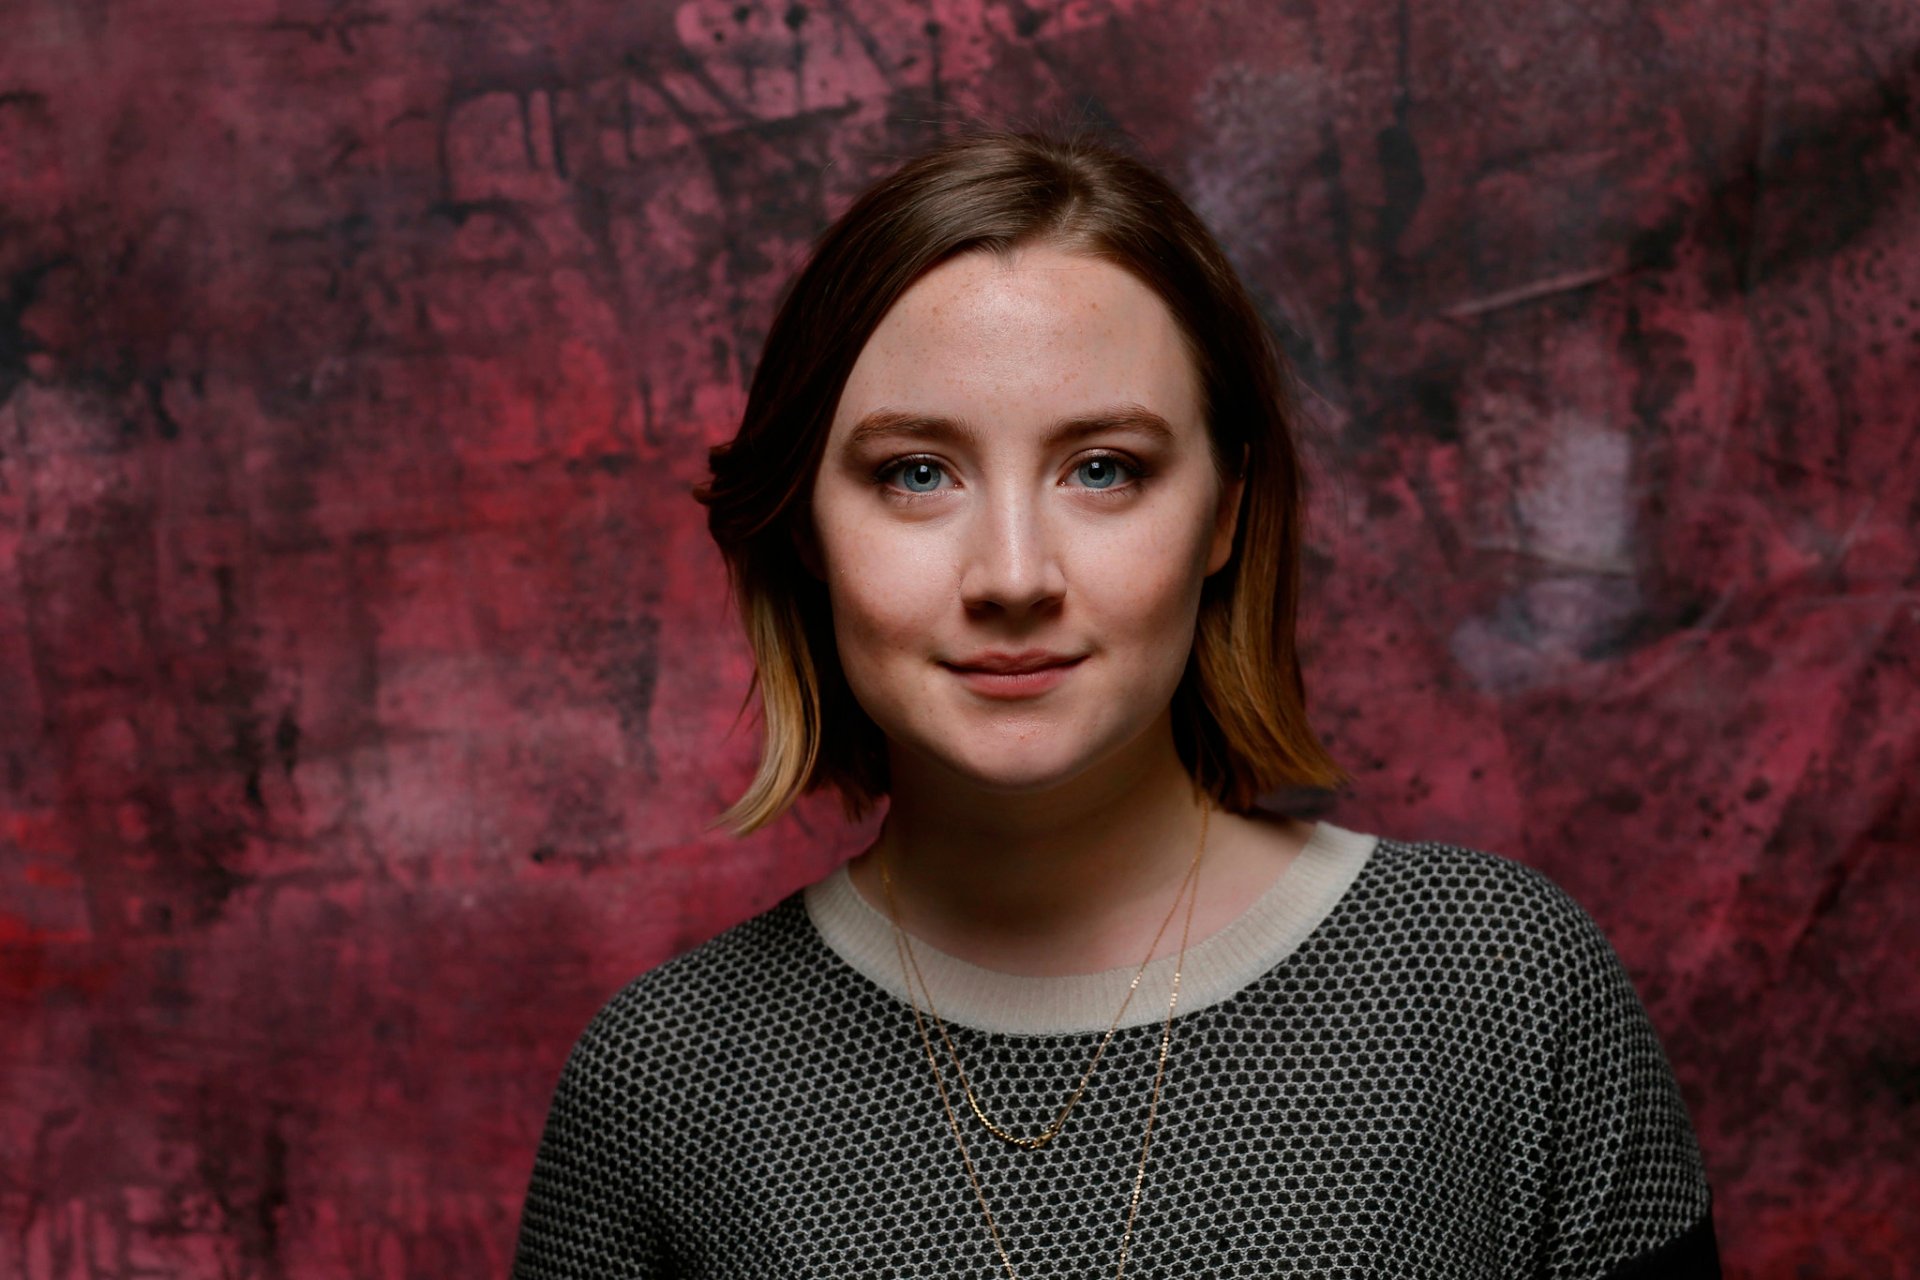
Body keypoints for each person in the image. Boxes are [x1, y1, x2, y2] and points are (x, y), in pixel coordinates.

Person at [508, 128, 1719, 1278]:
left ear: (1224, 513)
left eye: (1103, 469)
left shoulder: (1501, 986)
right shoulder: (663, 1083)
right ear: (807, 530)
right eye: (917, 472)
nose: (1014, 575)